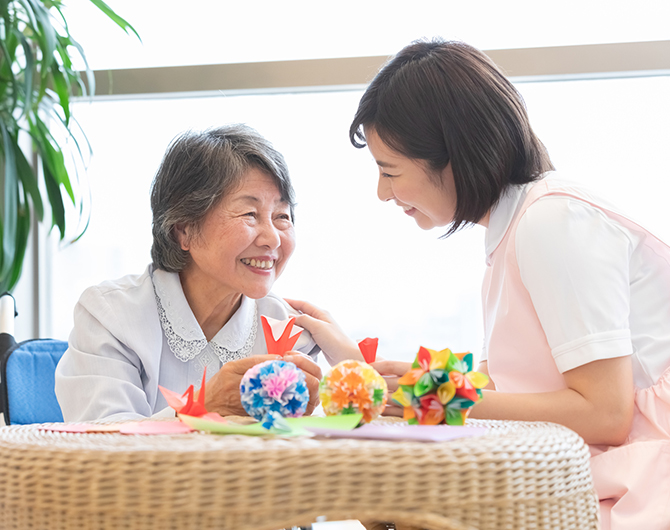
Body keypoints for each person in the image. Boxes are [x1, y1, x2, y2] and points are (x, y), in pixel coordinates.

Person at [292, 40, 670, 529]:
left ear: (453, 157)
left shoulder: (551, 222)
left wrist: (420, 398)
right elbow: (513, 385)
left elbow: (605, 412)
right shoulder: (515, 228)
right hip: (604, 462)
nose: (383, 192)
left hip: (644, 472)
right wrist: (405, 382)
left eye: (389, 171)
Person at [56, 124, 360, 422]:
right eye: (250, 214)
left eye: (282, 216)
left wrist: (353, 369)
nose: (273, 238)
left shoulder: (289, 331)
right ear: (184, 230)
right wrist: (201, 407)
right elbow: (98, 447)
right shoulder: (110, 315)